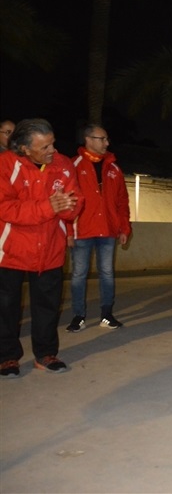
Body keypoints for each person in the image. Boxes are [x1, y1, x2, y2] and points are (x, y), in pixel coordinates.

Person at [0, 118, 83, 377]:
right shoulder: (5, 165)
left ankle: (46, 354)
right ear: (24, 148)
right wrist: (48, 207)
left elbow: (76, 201)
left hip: (50, 248)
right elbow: (4, 207)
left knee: (47, 305)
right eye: (44, 146)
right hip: (10, 249)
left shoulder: (63, 165)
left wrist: (68, 207)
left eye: (52, 143)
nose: (52, 150)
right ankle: (7, 357)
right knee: (5, 306)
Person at [65, 124, 132, 332]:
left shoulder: (114, 168)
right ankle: (78, 316)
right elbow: (66, 201)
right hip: (82, 230)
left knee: (107, 273)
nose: (106, 143)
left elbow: (122, 201)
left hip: (108, 230)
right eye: (102, 139)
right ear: (88, 140)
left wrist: (124, 227)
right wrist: (68, 231)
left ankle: (107, 314)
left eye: (106, 139)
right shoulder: (73, 166)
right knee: (79, 274)